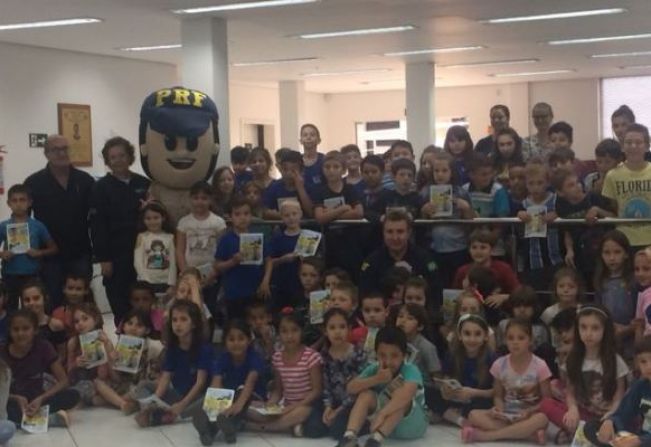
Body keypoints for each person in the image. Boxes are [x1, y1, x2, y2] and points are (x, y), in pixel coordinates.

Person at [24, 134, 94, 308]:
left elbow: (97, 218)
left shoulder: (85, 180)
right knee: (52, 302)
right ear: (46, 153)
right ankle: (55, 336)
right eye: (56, 150)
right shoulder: (33, 183)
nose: (62, 153)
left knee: (83, 303)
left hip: (80, 253)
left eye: (65, 149)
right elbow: (23, 221)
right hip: (49, 257)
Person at [541, 304, 628, 444]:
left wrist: (609, 418)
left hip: (608, 417)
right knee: (546, 404)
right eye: (583, 327)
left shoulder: (615, 360)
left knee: (628, 423)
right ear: (577, 329)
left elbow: (619, 398)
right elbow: (570, 391)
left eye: (595, 328)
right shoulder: (573, 358)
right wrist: (573, 409)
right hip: (584, 415)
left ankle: (583, 434)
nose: (588, 333)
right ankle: (585, 433)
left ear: (605, 330)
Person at [90, 136, 150, 326]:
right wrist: (104, 259)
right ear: (108, 161)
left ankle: (150, 350)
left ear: (130, 156)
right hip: (116, 254)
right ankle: (126, 350)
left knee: (145, 304)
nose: (118, 160)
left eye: (121, 155)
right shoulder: (100, 188)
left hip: (144, 252)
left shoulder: (144, 183)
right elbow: (97, 225)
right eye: (113, 157)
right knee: (121, 305)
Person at [336, 327, 428, 447]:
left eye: (394, 356)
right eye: (382, 355)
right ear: (376, 354)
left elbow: (407, 394)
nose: (388, 361)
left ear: (404, 355)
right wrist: (376, 379)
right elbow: (351, 388)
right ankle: (349, 437)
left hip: (412, 425)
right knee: (366, 395)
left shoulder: (410, 369)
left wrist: (382, 414)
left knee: (401, 399)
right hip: (384, 426)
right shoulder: (374, 369)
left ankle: (375, 441)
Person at [464, 319, 551, 444]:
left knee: (542, 419)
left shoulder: (540, 365)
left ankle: (487, 436)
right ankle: (529, 435)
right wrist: (499, 409)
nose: (515, 342)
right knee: (473, 415)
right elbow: (498, 395)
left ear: (530, 340)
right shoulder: (499, 364)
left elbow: (547, 400)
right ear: (505, 340)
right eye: (511, 338)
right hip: (507, 415)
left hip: (530, 415)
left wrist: (530, 411)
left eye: (521, 338)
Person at [133, 300, 212, 427]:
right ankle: (157, 412)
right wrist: (155, 400)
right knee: (143, 385)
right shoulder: (172, 349)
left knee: (214, 398)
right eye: (174, 320)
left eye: (183, 319)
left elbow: (200, 383)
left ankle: (172, 415)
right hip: (178, 395)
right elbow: (165, 378)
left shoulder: (203, 349)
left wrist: (182, 405)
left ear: (194, 324)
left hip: (197, 397)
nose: (178, 324)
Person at [245, 308, 322, 436]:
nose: (290, 336)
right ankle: (241, 417)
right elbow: (278, 391)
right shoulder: (277, 358)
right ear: (279, 334)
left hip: (307, 405)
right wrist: (270, 405)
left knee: (300, 412)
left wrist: (295, 406)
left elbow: (317, 391)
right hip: (286, 406)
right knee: (258, 412)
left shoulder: (311, 357)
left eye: (294, 330)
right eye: (284, 331)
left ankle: (260, 428)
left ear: (301, 332)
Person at [2, 309, 80, 427]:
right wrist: (15, 398)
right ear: (10, 331)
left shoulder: (43, 347)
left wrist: (41, 398)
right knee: (8, 411)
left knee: (73, 395)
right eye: (16, 329)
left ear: (35, 330)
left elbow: (64, 381)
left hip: (38, 398)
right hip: (11, 401)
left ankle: (28, 419)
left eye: (26, 329)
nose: (20, 333)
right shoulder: (2, 353)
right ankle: (48, 420)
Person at [192, 319, 264, 445]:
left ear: (248, 341)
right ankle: (207, 431)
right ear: (225, 342)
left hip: (249, 397)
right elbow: (216, 382)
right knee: (215, 406)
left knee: (239, 395)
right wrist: (214, 404)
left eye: (241, 338)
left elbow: (249, 385)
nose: (236, 343)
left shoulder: (254, 358)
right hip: (228, 397)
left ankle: (228, 428)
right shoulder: (223, 358)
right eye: (231, 339)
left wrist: (238, 405)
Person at [359, 210, 443, 311]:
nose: (395, 237)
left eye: (400, 231)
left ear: (409, 233)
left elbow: (435, 296)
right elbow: (365, 296)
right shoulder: (371, 262)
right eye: (390, 232)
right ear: (383, 233)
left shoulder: (425, 259)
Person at [303, 308, 367, 439]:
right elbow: (326, 386)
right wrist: (328, 407)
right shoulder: (324, 355)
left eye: (342, 327)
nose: (337, 332)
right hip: (333, 401)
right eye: (332, 328)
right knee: (312, 430)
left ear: (349, 329)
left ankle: (363, 424)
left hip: (351, 403)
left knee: (338, 432)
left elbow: (357, 390)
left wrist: (338, 411)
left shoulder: (358, 354)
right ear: (325, 331)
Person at [420, 152, 475, 286]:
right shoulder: (425, 192)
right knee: (437, 282)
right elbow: (420, 223)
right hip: (434, 248)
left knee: (457, 282)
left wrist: (466, 208)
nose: (440, 174)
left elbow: (471, 221)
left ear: (452, 172)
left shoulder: (461, 192)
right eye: (436, 171)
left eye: (444, 170)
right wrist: (424, 211)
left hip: (458, 247)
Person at [0, 184, 57, 310]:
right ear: (8, 203)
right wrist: (2, 254)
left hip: (32, 274)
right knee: (10, 309)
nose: (18, 204)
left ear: (29, 202)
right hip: (10, 274)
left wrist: (39, 253)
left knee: (33, 309)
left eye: (22, 200)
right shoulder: (3, 226)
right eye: (14, 200)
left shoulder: (38, 226)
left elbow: (53, 248)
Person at [432, 314, 495, 427]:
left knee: (489, 404)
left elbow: (497, 392)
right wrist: (446, 390)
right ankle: (457, 417)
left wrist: (473, 392)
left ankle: (449, 414)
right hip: (456, 398)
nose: (472, 339)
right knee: (428, 392)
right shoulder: (452, 354)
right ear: (460, 336)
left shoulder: (492, 358)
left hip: (477, 399)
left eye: (477, 334)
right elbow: (446, 379)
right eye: (467, 334)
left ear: (485, 336)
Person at [587, 335, 651, 447]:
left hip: (644, 441)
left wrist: (640, 441)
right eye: (643, 362)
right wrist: (610, 422)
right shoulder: (640, 386)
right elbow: (624, 413)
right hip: (640, 438)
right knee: (592, 427)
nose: (649, 366)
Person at [214, 196, 267, 319]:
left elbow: (268, 260)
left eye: (246, 213)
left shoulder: (258, 237)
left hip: (255, 291)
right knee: (236, 325)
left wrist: (265, 281)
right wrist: (233, 261)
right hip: (234, 292)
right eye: (237, 214)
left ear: (251, 215)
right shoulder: (226, 239)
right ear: (230, 217)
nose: (242, 218)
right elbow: (217, 266)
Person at [602, 123, 651, 250]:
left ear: (647, 146)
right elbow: (614, 207)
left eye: (638, 142)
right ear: (623, 147)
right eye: (628, 142)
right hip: (624, 239)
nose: (633, 146)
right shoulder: (612, 175)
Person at [176, 181, 227, 284]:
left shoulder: (218, 222)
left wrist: (214, 272)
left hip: (212, 274)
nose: (200, 202)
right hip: (189, 274)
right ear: (190, 199)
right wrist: (185, 271)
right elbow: (180, 250)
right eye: (196, 198)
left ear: (211, 200)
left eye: (204, 198)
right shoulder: (184, 222)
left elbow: (222, 251)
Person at [66, 303, 116, 406]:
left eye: (85, 319)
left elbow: (110, 374)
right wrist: (76, 364)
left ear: (96, 319)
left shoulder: (105, 341)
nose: (80, 323)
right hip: (81, 380)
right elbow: (69, 371)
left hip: (101, 382)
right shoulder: (73, 342)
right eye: (76, 321)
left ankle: (97, 399)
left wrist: (104, 359)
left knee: (101, 384)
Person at [593, 230, 636, 349]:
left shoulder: (634, 281)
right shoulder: (600, 280)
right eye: (607, 253)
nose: (612, 258)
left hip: (633, 338)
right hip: (608, 339)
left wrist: (628, 328)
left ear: (626, 253)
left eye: (617, 252)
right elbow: (598, 310)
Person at [395, 303, 441, 412]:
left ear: (420, 326)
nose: (403, 321)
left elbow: (436, 375)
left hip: (423, 388)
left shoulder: (426, 347)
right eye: (400, 316)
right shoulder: (394, 342)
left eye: (410, 318)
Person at [260, 200, 305, 310]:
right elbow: (270, 261)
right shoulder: (277, 238)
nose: (291, 218)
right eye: (287, 215)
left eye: (294, 214)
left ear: (301, 214)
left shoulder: (308, 236)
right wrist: (282, 259)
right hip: (281, 284)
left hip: (301, 285)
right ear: (281, 217)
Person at [134, 201, 177, 294]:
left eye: (156, 218)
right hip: (147, 282)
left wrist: (172, 283)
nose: (152, 221)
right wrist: (145, 281)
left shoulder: (170, 237)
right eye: (148, 218)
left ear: (163, 218)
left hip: (165, 282)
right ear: (143, 220)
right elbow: (138, 262)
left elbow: (173, 261)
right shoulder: (142, 237)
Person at [263, 150, 315, 219]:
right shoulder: (274, 186)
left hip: (306, 227)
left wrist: (300, 188)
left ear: (301, 171)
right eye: (285, 169)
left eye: (293, 170)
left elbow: (311, 212)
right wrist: (287, 216)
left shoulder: (309, 186)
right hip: (282, 227)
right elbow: (265, 212)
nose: (288, 173)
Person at [300, 123, 325, 191]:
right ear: (301, 140)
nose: (309, 137)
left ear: (319, 140)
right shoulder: (296, 161)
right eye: (305, 135)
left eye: (312, 135)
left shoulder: (324, 160)